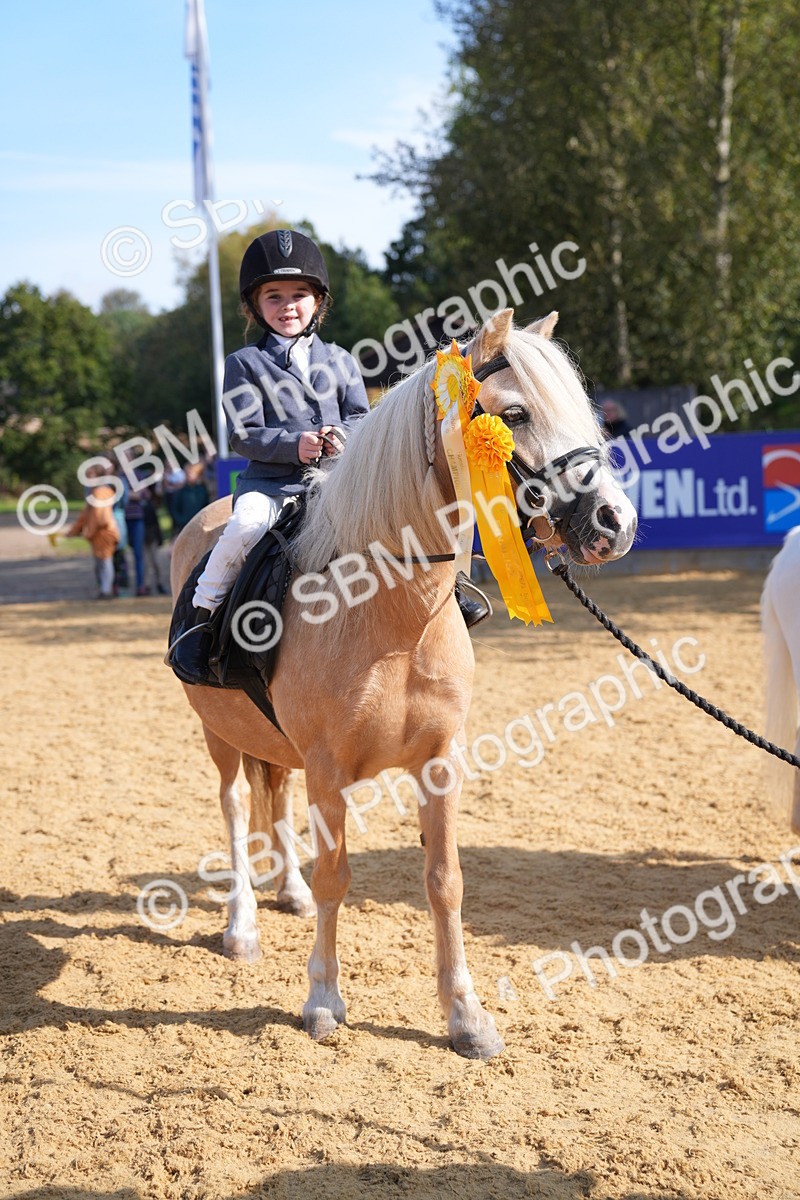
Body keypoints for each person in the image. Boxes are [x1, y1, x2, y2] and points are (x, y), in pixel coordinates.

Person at [169, 228, 371, 683]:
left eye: (299, 295)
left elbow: (361, 417)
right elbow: (242, 434)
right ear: (255, 307)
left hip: (336, 482)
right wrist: (292, 445)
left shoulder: (340, 359)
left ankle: (451, 594)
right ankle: (200, 622)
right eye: (274, 297)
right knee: (244, 527)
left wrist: (342, 435)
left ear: (318, 302)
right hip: (271, 485)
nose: (288, 306)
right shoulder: (244, 363)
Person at [59, 466, 120, 598]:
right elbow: (85, 515)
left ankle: (106, 590)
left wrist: (89, 532)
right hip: (98, 533)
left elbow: (100, 517)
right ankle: (104, 589)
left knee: (105, 562)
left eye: (91, 476)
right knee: (101, 563)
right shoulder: (94, 493)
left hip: (104, 532)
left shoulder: (101, 492)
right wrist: (73, 532)